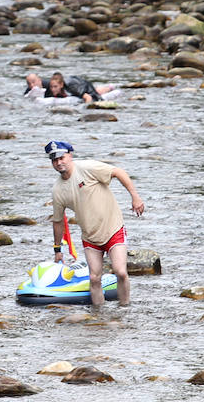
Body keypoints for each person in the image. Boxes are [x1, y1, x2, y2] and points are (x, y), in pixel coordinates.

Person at [46, 140, 145, 306]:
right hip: (90, 236)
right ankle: (98, 316)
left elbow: (118, 172)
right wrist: (58, 249)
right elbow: (57, 221)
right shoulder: (57, 189)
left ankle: (124, 309)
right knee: (94, 278)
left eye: (62, 157)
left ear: (70, 155)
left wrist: (135, 197)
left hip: (113, 228)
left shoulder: (87, 168)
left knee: (120, 272)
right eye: (54, 160)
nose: (59, 162)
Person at [45, 71, 115, 103]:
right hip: (73, 84)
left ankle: (109, 87)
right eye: (51, 87)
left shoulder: (73, 87)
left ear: (61, 85)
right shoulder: (49, 89)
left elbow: (88, 97)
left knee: (97, 93)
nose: (53, 89)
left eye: (55, 87)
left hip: (83, 85)